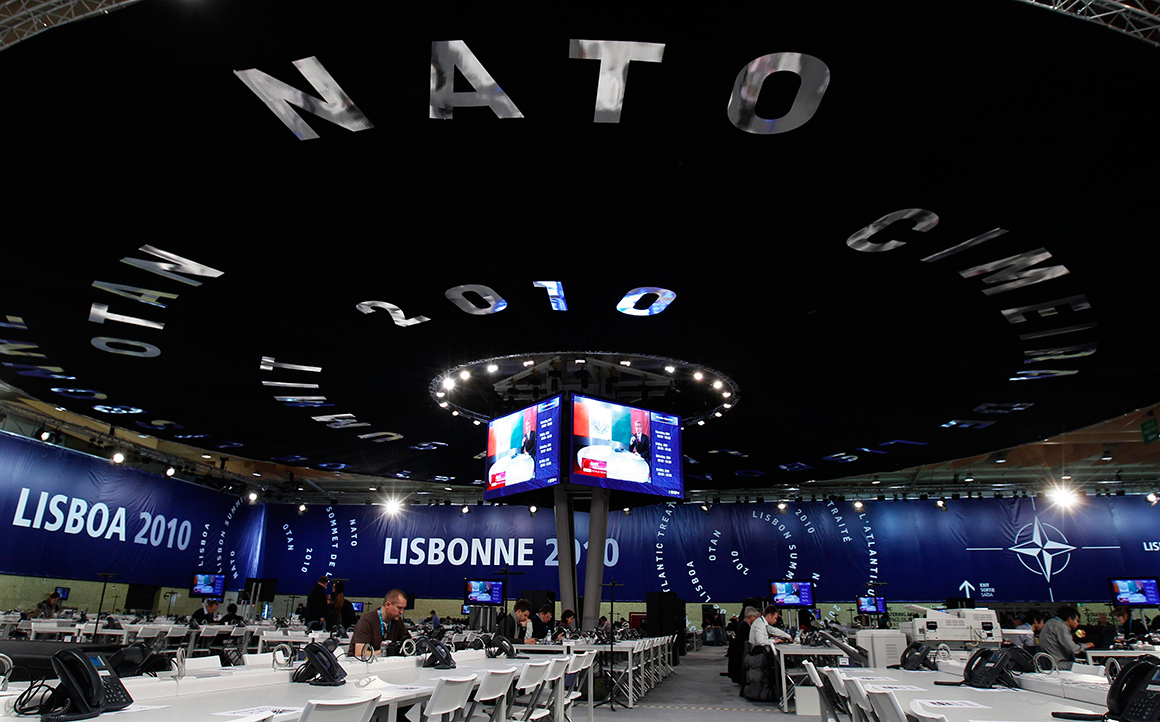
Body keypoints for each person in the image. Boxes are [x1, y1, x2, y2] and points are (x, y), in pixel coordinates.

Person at [348, 589, 411, 658]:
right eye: (399, 608)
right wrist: (385, 651)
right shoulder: (367, 621)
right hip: (360, 662)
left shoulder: (396, 620)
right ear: (388, 605)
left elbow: (408, 641)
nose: (401, 612)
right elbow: (359, 653)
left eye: (403, 609)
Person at [728, 606, 759, 684]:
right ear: (750, 616)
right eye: (755, 617)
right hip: (741, 651)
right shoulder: (744, 626)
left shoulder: (743, 624)